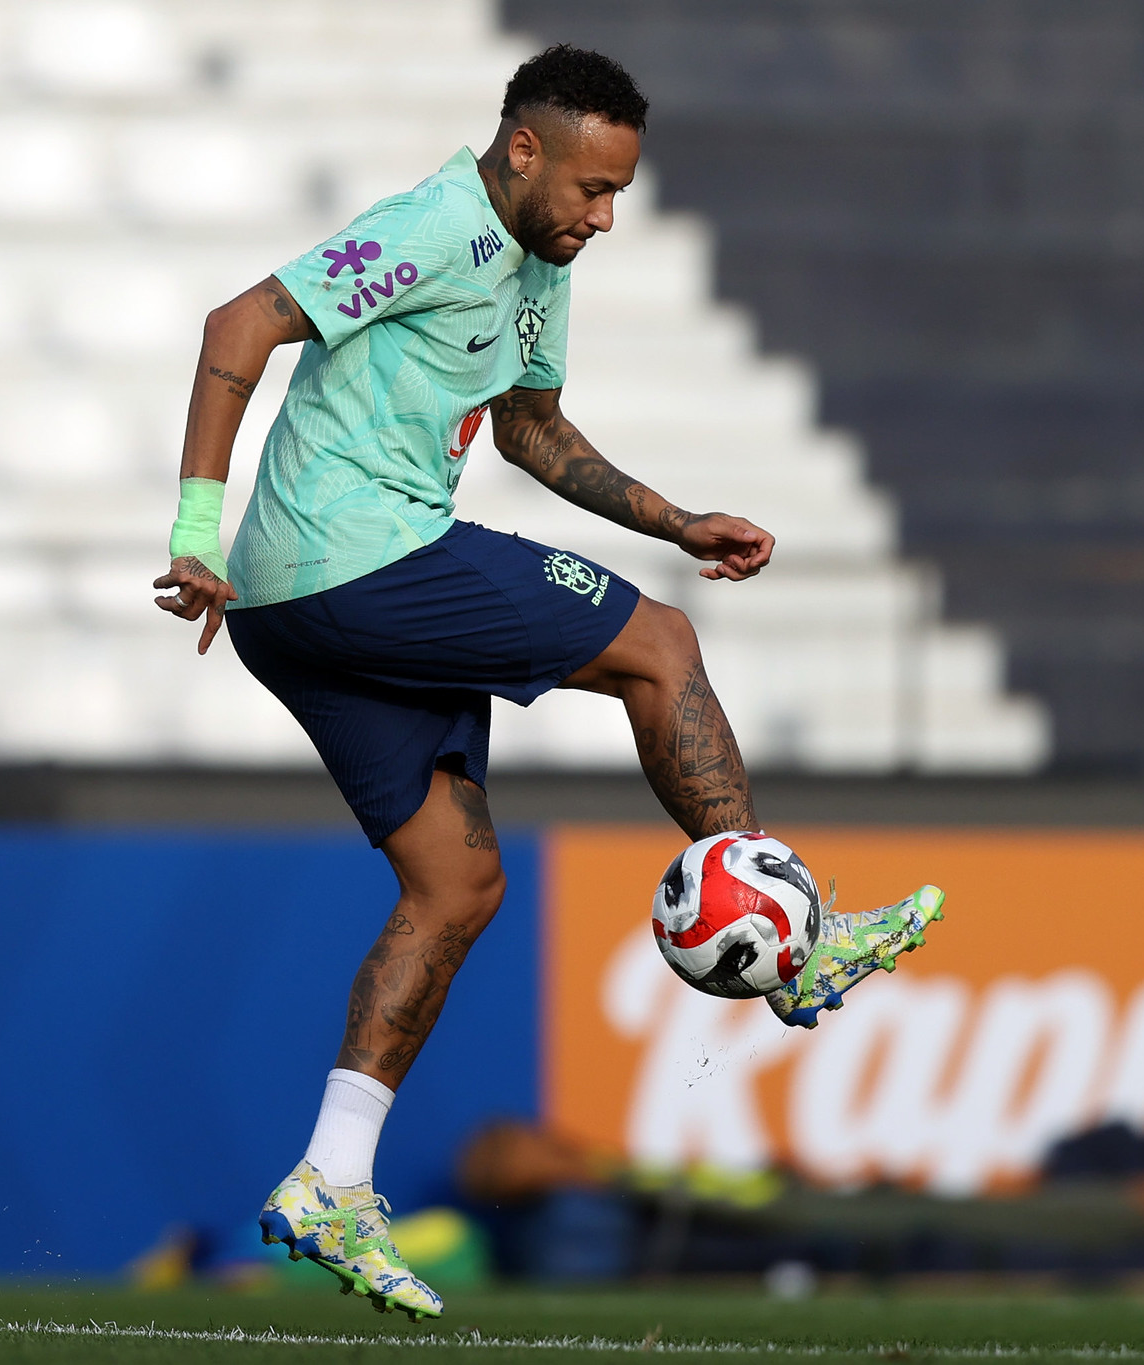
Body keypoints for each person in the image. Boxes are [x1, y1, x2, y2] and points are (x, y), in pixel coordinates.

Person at [151, 46, 943, 1321]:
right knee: (662, 648)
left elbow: (529, 429)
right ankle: (782, 927)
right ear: (522, 151)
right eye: (587, 187)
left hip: (303, 613)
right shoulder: (429, 228)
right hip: (353, 563)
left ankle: (328, 1179)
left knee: (458, 887)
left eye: (619, 194)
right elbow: (236, 325)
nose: (600, 216)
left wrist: (672, 520)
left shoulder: (535, 265)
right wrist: (194, 529)